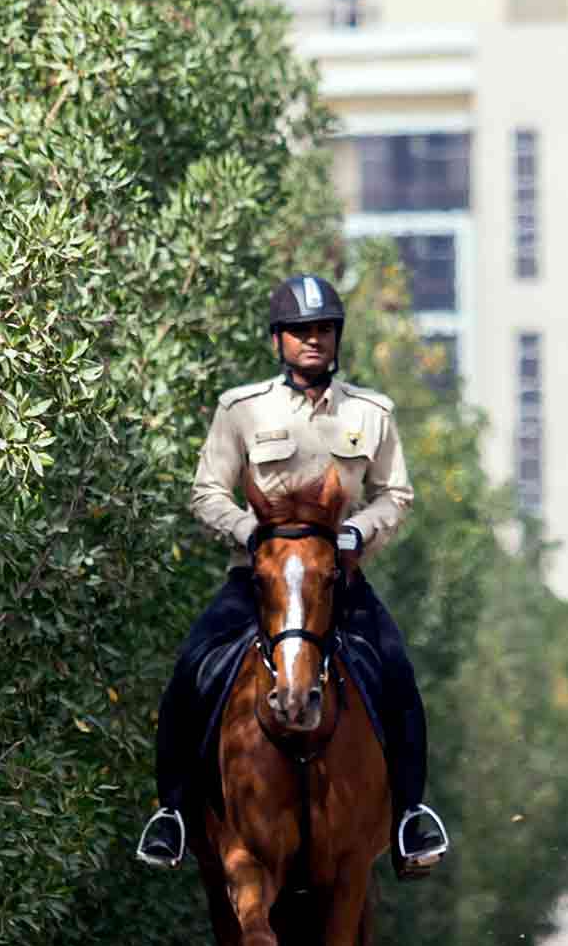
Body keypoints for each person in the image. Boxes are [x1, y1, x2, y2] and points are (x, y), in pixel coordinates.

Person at [136, 272, 453, 877]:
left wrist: (360, 532)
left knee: (398, 677)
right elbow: (206, 491)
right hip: (260, 579)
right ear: (278, 339)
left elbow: (396, 494)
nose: (314, 341)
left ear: (337, 339)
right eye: (301, 331)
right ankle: (172, 815)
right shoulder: (242, 410)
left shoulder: (371, 412)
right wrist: (246, 532)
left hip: (338, 579)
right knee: (189, 672)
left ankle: (411, 816)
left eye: (324, 330)